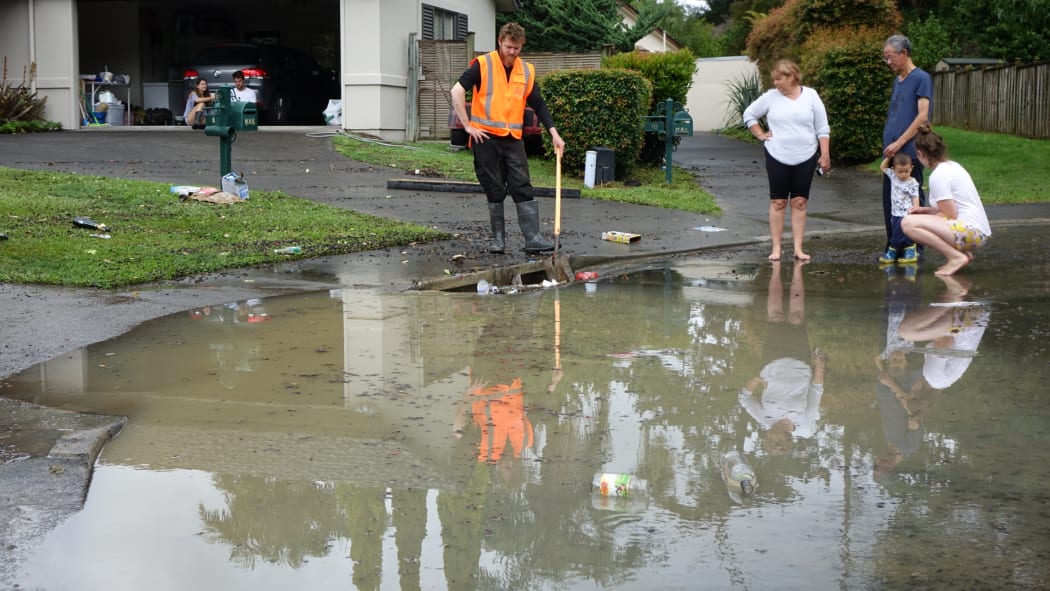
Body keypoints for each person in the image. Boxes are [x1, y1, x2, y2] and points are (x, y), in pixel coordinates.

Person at [449, 22, 565, 255]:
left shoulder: (526, 71)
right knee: (494, 188)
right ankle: (498, 242)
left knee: (522, 186)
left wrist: (554, 132)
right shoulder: (483, 65)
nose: (512, 52)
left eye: (517, 48)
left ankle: (533, 239)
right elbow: (457, 91)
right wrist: (469, 126)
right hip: (486, 138)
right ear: (500, 42)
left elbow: (538, 103)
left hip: (513, 139)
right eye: (509, 47)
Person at [743, 59, 831, 262]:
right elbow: (749, 114)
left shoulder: (811, 96)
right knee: (778, 201)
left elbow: (822, 128)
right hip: (777, 154)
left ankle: (798, 248)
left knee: (800, 202)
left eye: (779, 79)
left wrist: (824, 154)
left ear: (792, 76)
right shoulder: (771, 97)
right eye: (774, 80)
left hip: (806, 155)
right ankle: (776, 248)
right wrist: (759, 134)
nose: (776, 83)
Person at [739, 261, 826, 453]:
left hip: (772, 360)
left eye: (767, 440)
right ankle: (797, 269)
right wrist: (819, 367)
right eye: (771, 440)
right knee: (796, 317)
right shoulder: (805, 424)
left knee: (776, 315)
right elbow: (816, 391)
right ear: (784, 441)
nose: (767, 436)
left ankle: (776, 270)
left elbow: (744, 399)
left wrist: (754, 380)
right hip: (801, 362)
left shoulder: (764, 420)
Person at [901, 125, 991, 275]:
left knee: (908, 224)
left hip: (971, 233)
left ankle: (955, 257)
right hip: (976, 232)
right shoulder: (952, 166)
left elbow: (950, 215)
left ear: (920, 153)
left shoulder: (939, 175)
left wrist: (923, 219)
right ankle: (961, 254)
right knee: (916, 220)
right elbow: (952, 210)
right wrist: (925, 211)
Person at [881, 34, 932, 255]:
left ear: (904, 53)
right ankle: (894, 245)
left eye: (891, 57)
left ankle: (915, 247)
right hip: (892, 154)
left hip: (909, 153)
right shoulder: (897, 80)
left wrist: (900, 141)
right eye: (886, 58)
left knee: (912, 201)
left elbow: (922, 116)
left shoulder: (921, 78)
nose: (888, 62)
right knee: (891, 203)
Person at [878, 152, 921, 265]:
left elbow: (915, 197)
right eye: (900, 171)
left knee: (900, 234)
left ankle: (894, 253)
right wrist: (888, 157)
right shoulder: (893, 176)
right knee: (897, 232)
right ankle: (909, 251)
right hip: (895, 213)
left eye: (906, 171)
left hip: (907, 214)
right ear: (894, 169)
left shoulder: (912, 183)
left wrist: (916, 209)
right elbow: (882, 167)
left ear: (911, 168)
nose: (903, 174)